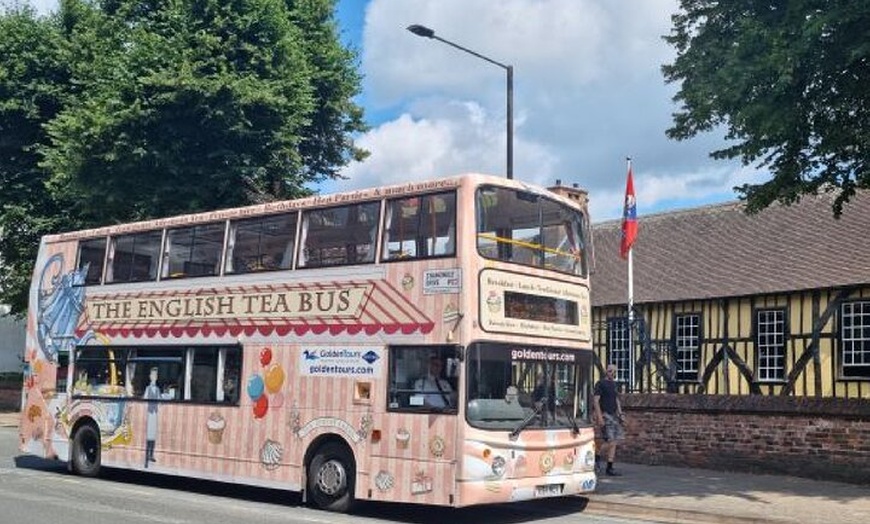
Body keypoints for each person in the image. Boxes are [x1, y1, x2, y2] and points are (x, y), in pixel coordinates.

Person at [593, 363, 625, 476]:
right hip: (605, 414)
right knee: (609, 441)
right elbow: (596, 401)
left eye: (614, 371)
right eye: (610, 371)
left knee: (614, 441)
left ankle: (609, 467)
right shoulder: (600, 384)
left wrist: (620, 413)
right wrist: (599, 417)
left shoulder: (614, 385)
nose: (612, 373)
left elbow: (616, 399)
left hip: (614, 415)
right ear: (606, 371)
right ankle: (596, 456)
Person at [143, 367, 161, 467]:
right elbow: (145, 398)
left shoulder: (157, 389)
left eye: (156, 375)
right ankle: (146, 458)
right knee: (149, 435)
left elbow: (160, 400)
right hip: (150, 413)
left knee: (153, 434)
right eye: (153, 375)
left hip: (155, 413)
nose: (154, 377)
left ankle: (151, 455)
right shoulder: (148, 388)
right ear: (150, 377)